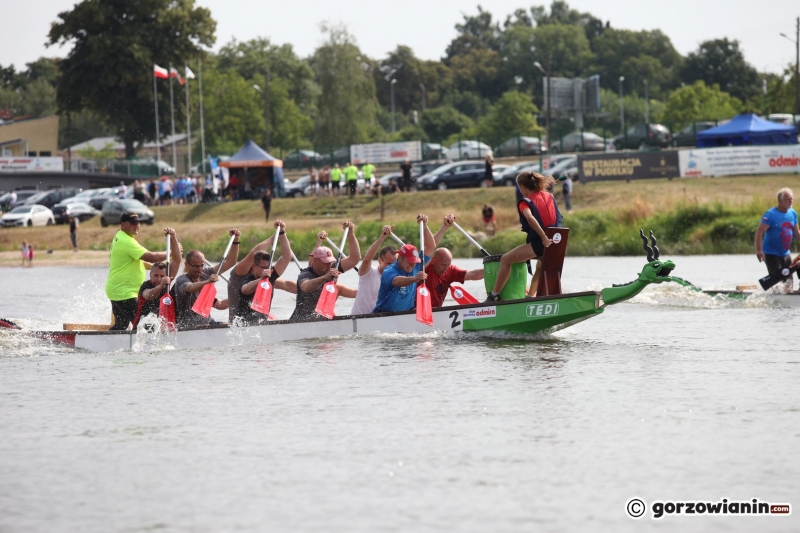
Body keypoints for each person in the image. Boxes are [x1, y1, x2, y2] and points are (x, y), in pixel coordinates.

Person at [486, 172, 560, 302]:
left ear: (523, 187)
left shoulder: (525, 202)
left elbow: (530, 217)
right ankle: (530, 297)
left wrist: (543, 236)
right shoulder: (550, 196)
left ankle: (493, 296)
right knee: (540, 266)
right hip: (558, 242)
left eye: (518, 187)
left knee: (505, 260)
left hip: (542, 243)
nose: (519, 190)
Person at [105, 213, 170, 330]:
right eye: (133, 223)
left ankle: (105, 344)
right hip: (124, 293)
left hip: (117, 290)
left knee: (121, 326)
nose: (137, 226)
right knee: (143, 324)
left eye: (138, 223)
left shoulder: (120, 236)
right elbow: (151, 256)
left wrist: (155, 269)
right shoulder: (126, 241)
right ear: (123, 224)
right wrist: (170, 253)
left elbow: (137, 261)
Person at [291, 221, 362, 321]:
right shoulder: (306, 274)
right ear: (316, 261)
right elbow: (306, 287)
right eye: (325, 262)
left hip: (324, 318)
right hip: (301, 321)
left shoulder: (333, 266)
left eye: (330, 261)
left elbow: (355, 258)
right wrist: (325, 277)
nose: (329, 265)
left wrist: (351, 234)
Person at [173, 229, 240, 329]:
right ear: (187, 265)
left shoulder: (206, 273)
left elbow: (231, 261)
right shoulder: (181, 280)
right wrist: (207, 282)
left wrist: (236, 240)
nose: (199, 269)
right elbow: (190, 287)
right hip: (188, 327)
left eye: (201, 265)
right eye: (195, 266)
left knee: (233, 325)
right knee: (205, 326)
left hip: (208, 323)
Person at [229, 220, 293, 324]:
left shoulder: (271, 275)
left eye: (268, 266)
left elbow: (287, 256)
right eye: (263, 267)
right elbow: (245, 289)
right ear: (254, 267)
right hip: (242, 326)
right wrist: (261, 279)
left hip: (261, 324)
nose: (266, 270)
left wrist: (282, 232)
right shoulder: (248, 279)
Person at [373, 214, 436, 313]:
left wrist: (425, 226)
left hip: (405, 314)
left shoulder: (416, 265)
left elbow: (431, 247)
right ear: (401, 258)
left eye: (415, 262)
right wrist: (415, 278)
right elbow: (396, 281)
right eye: (410, 261)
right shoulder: (389, 271)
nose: (412, 265)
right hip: (383, 315)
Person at [425, 215, 484, 307]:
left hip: (436, 312)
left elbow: (472, 274)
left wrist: (493, 269)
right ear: (433, 260)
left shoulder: (450, 270)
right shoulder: (425, 266)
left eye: (448, 265)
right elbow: (431, 246)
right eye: (443, 265)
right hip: (417, 312)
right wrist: (444, 227)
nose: (445, 268)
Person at [131, 228, 183, 330]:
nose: (158, 279)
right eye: (155, 275)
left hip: (161, 327)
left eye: (161, 276)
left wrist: (173, 237)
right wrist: (160, 286)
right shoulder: (145, 286)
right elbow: (149, 295)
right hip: (142, 328)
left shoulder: (167, 282)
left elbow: (177, 259)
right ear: (150, 275)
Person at [755, 187, 800, 289]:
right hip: (771, 253)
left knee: (788, 284)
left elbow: (797, 234)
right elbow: (759, 231)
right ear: (780, 200)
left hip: (786, 254)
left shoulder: (793, 213)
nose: (791, 201)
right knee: (778, 284)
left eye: (792, 199)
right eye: (788, 199)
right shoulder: (771, 214)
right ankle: (775, 300)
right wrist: (759, 249)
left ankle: (787, 301)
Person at [350, 224, 397, 315]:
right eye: (388, 264)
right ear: (379, 260)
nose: (392, 267)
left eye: (394, 264)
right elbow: (367, 259)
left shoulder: (396, 278)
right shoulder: (368, 272)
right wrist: (382, 237)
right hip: (359, 318)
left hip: (380, 319)